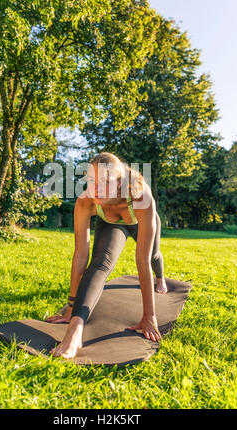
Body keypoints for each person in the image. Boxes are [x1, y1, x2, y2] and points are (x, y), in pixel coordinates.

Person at [45, 152, 166, 359]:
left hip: (139, 220)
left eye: (105, 182)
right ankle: (75, 332)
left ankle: (161, 278)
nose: (96, 189)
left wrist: (149, 316)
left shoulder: (141, 196)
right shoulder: (86, 202)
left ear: (120, 183)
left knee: (153, 255)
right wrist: (71, 307)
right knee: (100, 263)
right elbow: (81, 255)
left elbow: (141, 261)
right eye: (91, 181)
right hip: (111, 222)